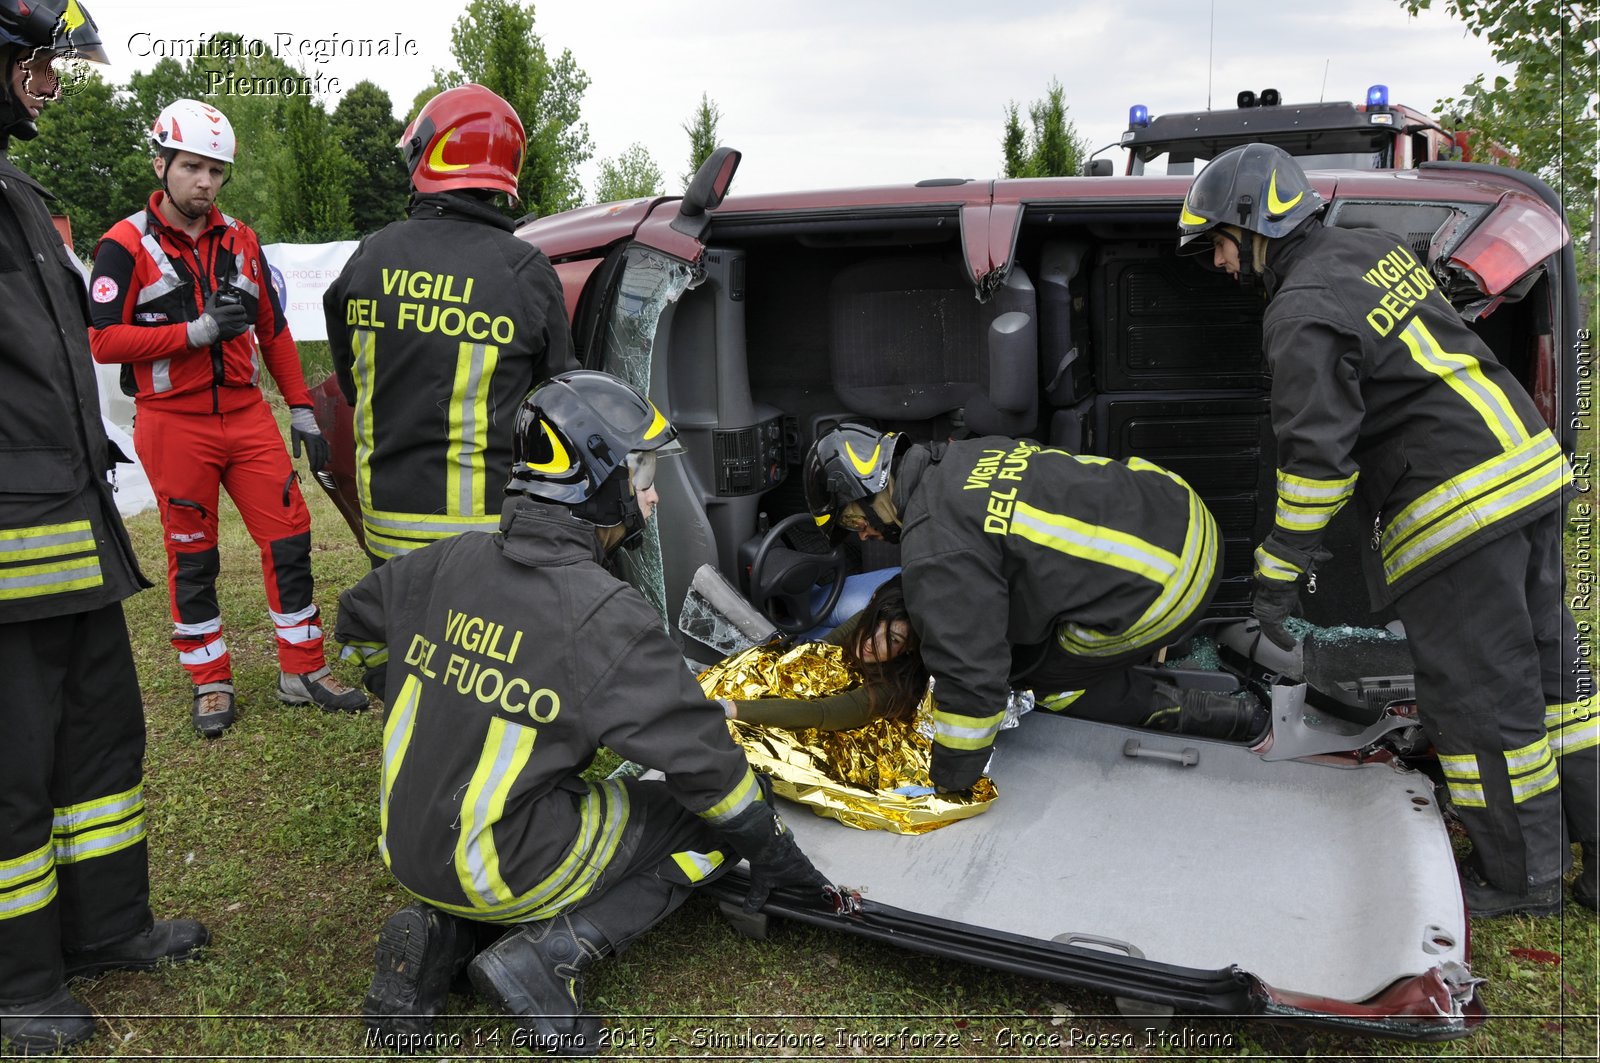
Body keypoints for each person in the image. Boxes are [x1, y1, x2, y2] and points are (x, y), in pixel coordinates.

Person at [335, 370, 828, 1056]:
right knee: (707, 820)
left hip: (408, 843)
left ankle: (442, 938)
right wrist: (775, 854)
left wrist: (425, 691)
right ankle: (544, 958)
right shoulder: (601, 614)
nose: (651, 492)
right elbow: (705, 764)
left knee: (547, 810)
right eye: (642, 471)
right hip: (500, 864)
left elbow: (356, 620)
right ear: (596, 479)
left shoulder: (445, 560)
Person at [1176, 141, 1597, 917]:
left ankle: (1524, 877)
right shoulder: (1369, 248)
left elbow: (1315, 466)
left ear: (1252, 221)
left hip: (1458, 512)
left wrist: (1274, 573)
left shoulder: (1299, 310)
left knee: (1481, 707)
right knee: (1556, 686)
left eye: (1221, 245)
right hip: (1525, 476)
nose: (1223, 266)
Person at [0, 3, 208, 1053]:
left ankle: (107, 926)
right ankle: (19, 980)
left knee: (98, 739)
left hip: (68, 527)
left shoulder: (18, 194)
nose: (51, 80)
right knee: (11, 766)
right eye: (36, 60)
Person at [88, 97, 365, 738]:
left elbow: (274, 331)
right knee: (194, 556)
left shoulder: (241, 237)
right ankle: (209, 679)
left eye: (216, 171)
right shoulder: (122, 244)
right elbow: (103, 341)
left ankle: (302, 670)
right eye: (192, 168)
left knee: (291, 537)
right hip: (170, 421)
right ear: (161, 164)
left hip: (246, 416)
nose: (205, 183)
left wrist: (299, 407)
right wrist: (195, 333)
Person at [803, 424, 1267, 795]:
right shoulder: (965, 454)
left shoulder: (935, 547)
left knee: (1041, 678)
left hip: (1169, 586)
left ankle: (1206, 713)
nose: (862, 534)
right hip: (1183, 512)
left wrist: (948, 782)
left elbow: (973, 684)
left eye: (852, 520)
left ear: (867, 483)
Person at [323, 83, 578, 566]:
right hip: (484, 539)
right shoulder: (525, 270)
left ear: (426, 157)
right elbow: (557, 398)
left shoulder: (370, 255)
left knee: (401, 635)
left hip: (385, 530)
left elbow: (351, 382)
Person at [722, 574, 929, 730]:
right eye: (873, 621)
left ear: (909, 648)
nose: (871, 640)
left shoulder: (893, 689)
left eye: (892, 639)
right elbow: (824, 646)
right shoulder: (879, 614)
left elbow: (821, 712)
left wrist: (731, 709)